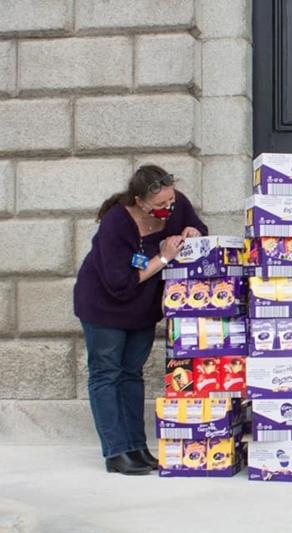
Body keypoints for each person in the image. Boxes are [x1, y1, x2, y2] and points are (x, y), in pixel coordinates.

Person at [73, 165, 207, 475]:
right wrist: (163, 258)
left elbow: (198, 226)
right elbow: (120, 284)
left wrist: (193, 231)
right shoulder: (116, 223)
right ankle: (116, 451)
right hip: (104, 306)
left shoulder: (176, 205)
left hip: (142, 309)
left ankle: (137, 447)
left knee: (132, 374)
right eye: (160, 205)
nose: (167, 209)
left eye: (170, 201)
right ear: (140, 201)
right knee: (106, 374)